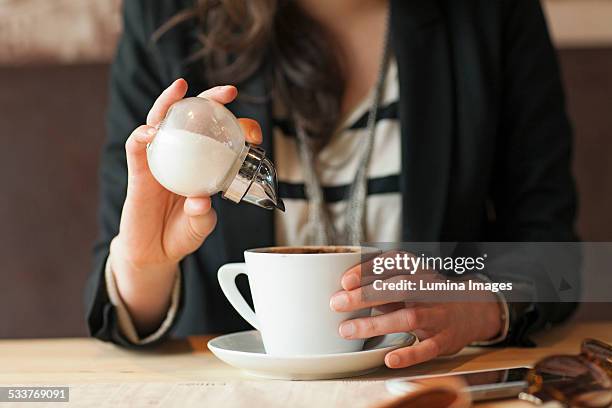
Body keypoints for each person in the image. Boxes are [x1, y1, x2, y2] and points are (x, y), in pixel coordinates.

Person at [85, 0, 578, 368]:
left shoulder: (489, 13)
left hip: (428, 384)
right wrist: (143, 265)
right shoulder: (168, 17)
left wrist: (484, 305)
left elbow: (560, 258)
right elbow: (125, 305)